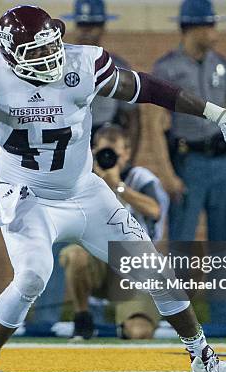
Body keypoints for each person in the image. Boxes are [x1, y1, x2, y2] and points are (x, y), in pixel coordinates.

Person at [0, 5, 226, 372]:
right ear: (10, 55)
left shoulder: (83, 62)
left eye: (51, 45)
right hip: (29, 197)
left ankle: (203, 360)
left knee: (155, 270)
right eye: (36, 52)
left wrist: (218, 113)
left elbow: (148, 88)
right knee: (32, 275)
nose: (49, 57)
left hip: (85, 191)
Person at [28, 0, 142, 334]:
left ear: (104, 26)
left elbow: (133, 115)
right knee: (48, 242)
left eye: (96, 25)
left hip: (99, 152)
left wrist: (125, 160)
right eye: (86, 25)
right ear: (76, 26)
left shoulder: (112, 64)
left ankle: (109, 317)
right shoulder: (49, 61)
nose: (90, 30)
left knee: (107, 237)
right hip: (59, 158)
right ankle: (46, 321)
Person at [150, 0, 226, 325]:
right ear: (191, 28)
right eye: (209, 26)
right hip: (187, 161)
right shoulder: (166, 68)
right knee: (181, 241)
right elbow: (155, 123)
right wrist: (167, 173)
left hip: (222, 162)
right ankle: (180, 322)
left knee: (225, 242)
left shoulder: (222, 65)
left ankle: (225, 319)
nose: (215, 33)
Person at [63, 124, 167, 340]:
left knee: (140, 332)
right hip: (99, 262)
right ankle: (83, 319)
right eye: (103, 153)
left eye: (115, 154)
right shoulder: (85, 179)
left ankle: (126, 325)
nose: (109, 159)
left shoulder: (140, 178)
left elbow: (155, 210)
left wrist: (118, 186)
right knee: (75, 255)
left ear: (127, 154)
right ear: (93, 152)